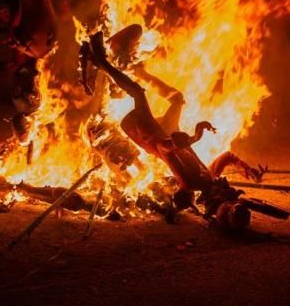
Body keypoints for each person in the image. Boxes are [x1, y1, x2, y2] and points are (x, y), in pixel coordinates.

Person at [85, 31, 263, 207]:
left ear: (214, 194)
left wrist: (192, 138)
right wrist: (248, 170)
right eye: (229, 187)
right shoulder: (209, 176)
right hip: (169, 131)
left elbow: (167, 152)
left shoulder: (190, 183)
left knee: (138, 94)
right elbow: (227, 157)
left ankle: (101, 62)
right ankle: (137, 71)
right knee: (177, 99)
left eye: (226, 190)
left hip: (151, 136)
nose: (226, 183)